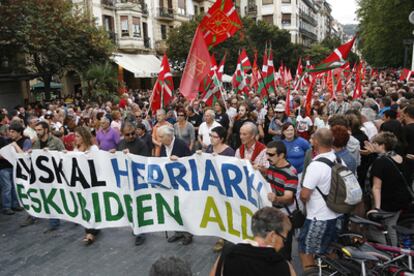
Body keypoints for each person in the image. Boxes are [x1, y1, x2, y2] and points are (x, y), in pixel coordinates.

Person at [299, 128, 344, 271]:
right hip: (337, 214)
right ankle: (335, 272)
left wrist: (302, 199)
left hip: (318, 216)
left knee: (305, 250)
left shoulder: (316, 165)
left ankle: (311, 274)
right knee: (330, 250)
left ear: (316, 142)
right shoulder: (338, 159)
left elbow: (305, 195)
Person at [209, 207, 295, 276]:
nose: (283, 245)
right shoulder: (283, 266)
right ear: (272, 236)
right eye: (284, 239)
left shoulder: (227, 253)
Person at [366, 132, 412, 246]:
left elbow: (376, 187)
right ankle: (394, 253)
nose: (373, 145)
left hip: (386, 203)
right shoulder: (400, 158)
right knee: (391, 227)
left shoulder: (380, 162)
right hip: (400, 200)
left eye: (375, 143)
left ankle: (387, 253)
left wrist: (377, 208)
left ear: (382, 146)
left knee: (374, 231)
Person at [114, 122, 150, 246]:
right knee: (130, 204)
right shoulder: (120, 143)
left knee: (139, 205)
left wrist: (130, 156)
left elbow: (144, 160)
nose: (131, 136)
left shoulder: (141, 144)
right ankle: (136, 226)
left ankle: (141, 232)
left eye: (133, 133)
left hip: (138, 179)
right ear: (123, 134)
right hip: (126, 180)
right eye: (127, 134)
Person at [26, 121, 65, 231]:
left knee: (54, 198)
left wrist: (52, 154)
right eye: (36, 130)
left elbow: (64, 155)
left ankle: (54, 222)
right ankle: (42, 217)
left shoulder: (56, 141)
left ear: (46, 130)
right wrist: (30, 153)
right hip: (41, 176)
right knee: (44, 197)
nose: (37, 132)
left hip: (55, 175)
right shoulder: (36, 142)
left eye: (39, 130)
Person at [158, 125, 193, 245]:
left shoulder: (181, 144)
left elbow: (190, 162)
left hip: (182, 182)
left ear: (169, 136)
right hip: (169, 182)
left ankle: (188, 233)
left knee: (184, 208)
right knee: (173, 207)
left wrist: (179, 160)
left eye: (161, 137)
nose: (159, 139)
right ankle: (178, 232)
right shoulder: (163, 146)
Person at [265, 141, 298, 261]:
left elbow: (288, 197)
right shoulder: (272, 166)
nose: (268, 157)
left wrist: (276, 198)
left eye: (271, 154)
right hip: (272, 212)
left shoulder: (290, 173)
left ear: (281, 155)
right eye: (267, 154)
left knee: (283, 250)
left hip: (284, 215)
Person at [74, 126, 100, 245]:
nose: (76, 138)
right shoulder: (76, 148)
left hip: (92, 182)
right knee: (84, 205)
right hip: (80, 182)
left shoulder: (93, 148)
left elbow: (98, 162)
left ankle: (90, 232)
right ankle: (92, 228)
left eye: (78, 136)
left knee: (91, 204)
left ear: (84, 137)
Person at [0, 125, 23, 215]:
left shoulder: (7, 140)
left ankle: (15, 204)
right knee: (7, 187)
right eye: (10, 131)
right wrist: (7, 155)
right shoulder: (4, 140)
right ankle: (6, 207)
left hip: (12, 167)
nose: (10, 133)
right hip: (3, 167)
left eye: (12, 131)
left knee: (13, 186)